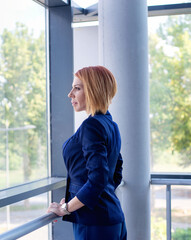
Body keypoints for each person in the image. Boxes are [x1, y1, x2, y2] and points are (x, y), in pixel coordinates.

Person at [47, 66, 127, 240]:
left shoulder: (91, 126)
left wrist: (66, 208)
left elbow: (98, 179)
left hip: (94, 223)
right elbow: (116, 173)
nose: (70, 94)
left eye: (77, 88)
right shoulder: (110, 124)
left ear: (93, 90)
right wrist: (78, 200)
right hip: (111, 219)